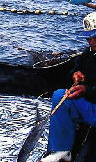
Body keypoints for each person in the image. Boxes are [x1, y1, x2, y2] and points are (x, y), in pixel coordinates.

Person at [41, 12, 96, 162]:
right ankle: (62, 150)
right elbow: (78, 65)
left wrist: (87, 90)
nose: (91, 41)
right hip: (92, 104)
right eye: (89, 37)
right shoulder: (89, 52)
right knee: (60, 95)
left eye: (94, 37)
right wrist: (76, 73)